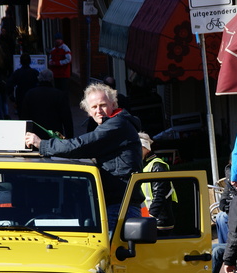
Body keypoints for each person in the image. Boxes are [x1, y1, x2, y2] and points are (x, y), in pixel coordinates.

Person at [24, 82, 143, 231]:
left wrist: (42, 144)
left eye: (103, 105)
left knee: (112, 253)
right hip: (115, 204)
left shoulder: (117, 124)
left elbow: (80, 145)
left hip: (120, 207)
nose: (99, 110)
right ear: (88, 111)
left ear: (113, 104)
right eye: (94, 107)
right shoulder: (114, 124)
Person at [140, 132, 177, 236]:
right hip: (151, 219)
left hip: (159, 221)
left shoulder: (157, 166)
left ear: (145, 148)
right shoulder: (146, 165)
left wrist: (150, 217)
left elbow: (159, 196)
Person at [20, 69, 74, 140]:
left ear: (39, 78)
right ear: (51, 79)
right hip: (54, 135)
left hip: (35, 134)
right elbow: (67, 118)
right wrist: (70, 137)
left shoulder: (30, 94)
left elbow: (24, 116)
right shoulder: (59, 94)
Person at [6, 53, 38, 118]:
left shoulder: (17, 73)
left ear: (20, 62)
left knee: (22, 116)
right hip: (32, 96)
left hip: (21, 97)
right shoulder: (34, 72)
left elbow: (9, 84)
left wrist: (11, 97)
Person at [215, 161, 237, 244]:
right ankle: (224, 245)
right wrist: (224, 205)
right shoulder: (230, 180)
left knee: (223, 217)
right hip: (232, 209)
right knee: (220, 217)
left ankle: (227, 246)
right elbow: (224, 198)